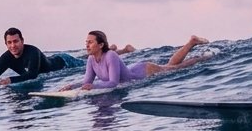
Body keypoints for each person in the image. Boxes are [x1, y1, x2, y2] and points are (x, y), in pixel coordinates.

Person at [78, 31, 208, 90]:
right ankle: (192, 42)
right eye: (86, 42)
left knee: (175, 68)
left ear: (100, 45)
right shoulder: (91, 59)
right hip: (135, 69)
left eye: (90, 42)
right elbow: (87, 82)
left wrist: (94, 86)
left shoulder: (111, 55)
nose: (87, 45)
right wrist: (70, 87)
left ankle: (203, 57)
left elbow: (113, 83)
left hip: (144, 71)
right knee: (170, 65)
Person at [0, 28, 77, 85]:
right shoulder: (6, 57)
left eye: (16, 41)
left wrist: (11, 80)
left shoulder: (32, 52)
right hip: (54, 60)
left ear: (22, 41)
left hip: (65, 62)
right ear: (5, 44)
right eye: (9, 42)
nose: (13, 45)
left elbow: (33, 75)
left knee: (85, 63)